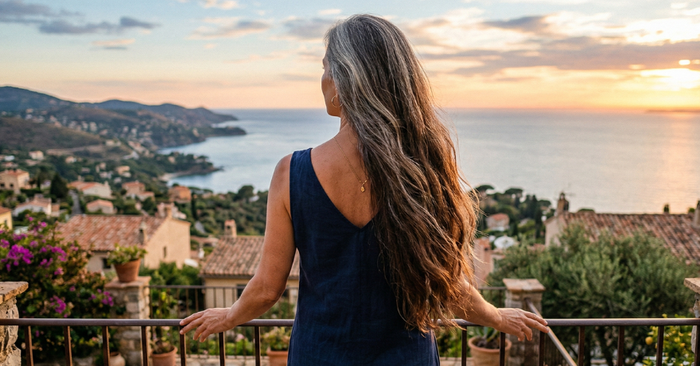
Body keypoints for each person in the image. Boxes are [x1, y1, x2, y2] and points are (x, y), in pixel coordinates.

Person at [180, 14, 548, 365]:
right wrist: (496, 317)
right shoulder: (427, 172)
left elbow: (266, 289)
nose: (322, 79)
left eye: (325, 68)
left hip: (319, 357)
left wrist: (229, 316)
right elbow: (449, 288)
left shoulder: (291, 173)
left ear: (344, 79)